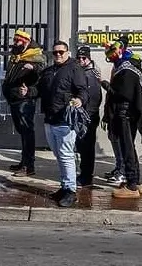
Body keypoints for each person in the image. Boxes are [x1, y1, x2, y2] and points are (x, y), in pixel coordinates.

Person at [105, 39, 142, 199]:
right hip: (128, 113)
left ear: (120, 50)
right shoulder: (128, 66)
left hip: (125, 113)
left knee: (127, 148)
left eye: (112, 51)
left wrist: (107, 87)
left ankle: (132, 185)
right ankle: (136, 182)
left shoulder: (127, 68)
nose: (110, 55)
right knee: (129, 147)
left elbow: (123, 93)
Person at [37, 40, 89, 207]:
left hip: (65, 120)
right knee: (59, 155)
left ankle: (71, 191)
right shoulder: (49, 71)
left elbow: (83, 89)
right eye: (55, 53)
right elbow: (39, 90)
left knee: (66, 155)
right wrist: (27, 92)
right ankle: (64, 186)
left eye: (61, 52)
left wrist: (80, 100)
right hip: (50, 119)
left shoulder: (74, 69)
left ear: (67, 53)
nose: (58, 55)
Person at [1, 30, 45, 177]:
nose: (15, 43)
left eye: (17, 41)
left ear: (25, 41)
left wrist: (33, 68)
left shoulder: (34, 55)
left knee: (27, 131)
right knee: (22, 132)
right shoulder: (17, 55)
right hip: (14, 98)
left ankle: (29, 166)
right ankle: (24, 162)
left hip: (25, 100)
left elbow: (41, 70)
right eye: (14, 40)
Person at [75, 46, 103, 188]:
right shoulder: (82, 72)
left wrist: (87, 116)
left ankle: (86, 176)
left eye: (83, 58)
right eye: (79, 58)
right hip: (83, 115)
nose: (81, 60)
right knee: (82, 146)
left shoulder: (91, 74)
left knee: (87, 147)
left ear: (89, 58)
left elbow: (94, 97)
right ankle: (84, 173)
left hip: (89, 116)